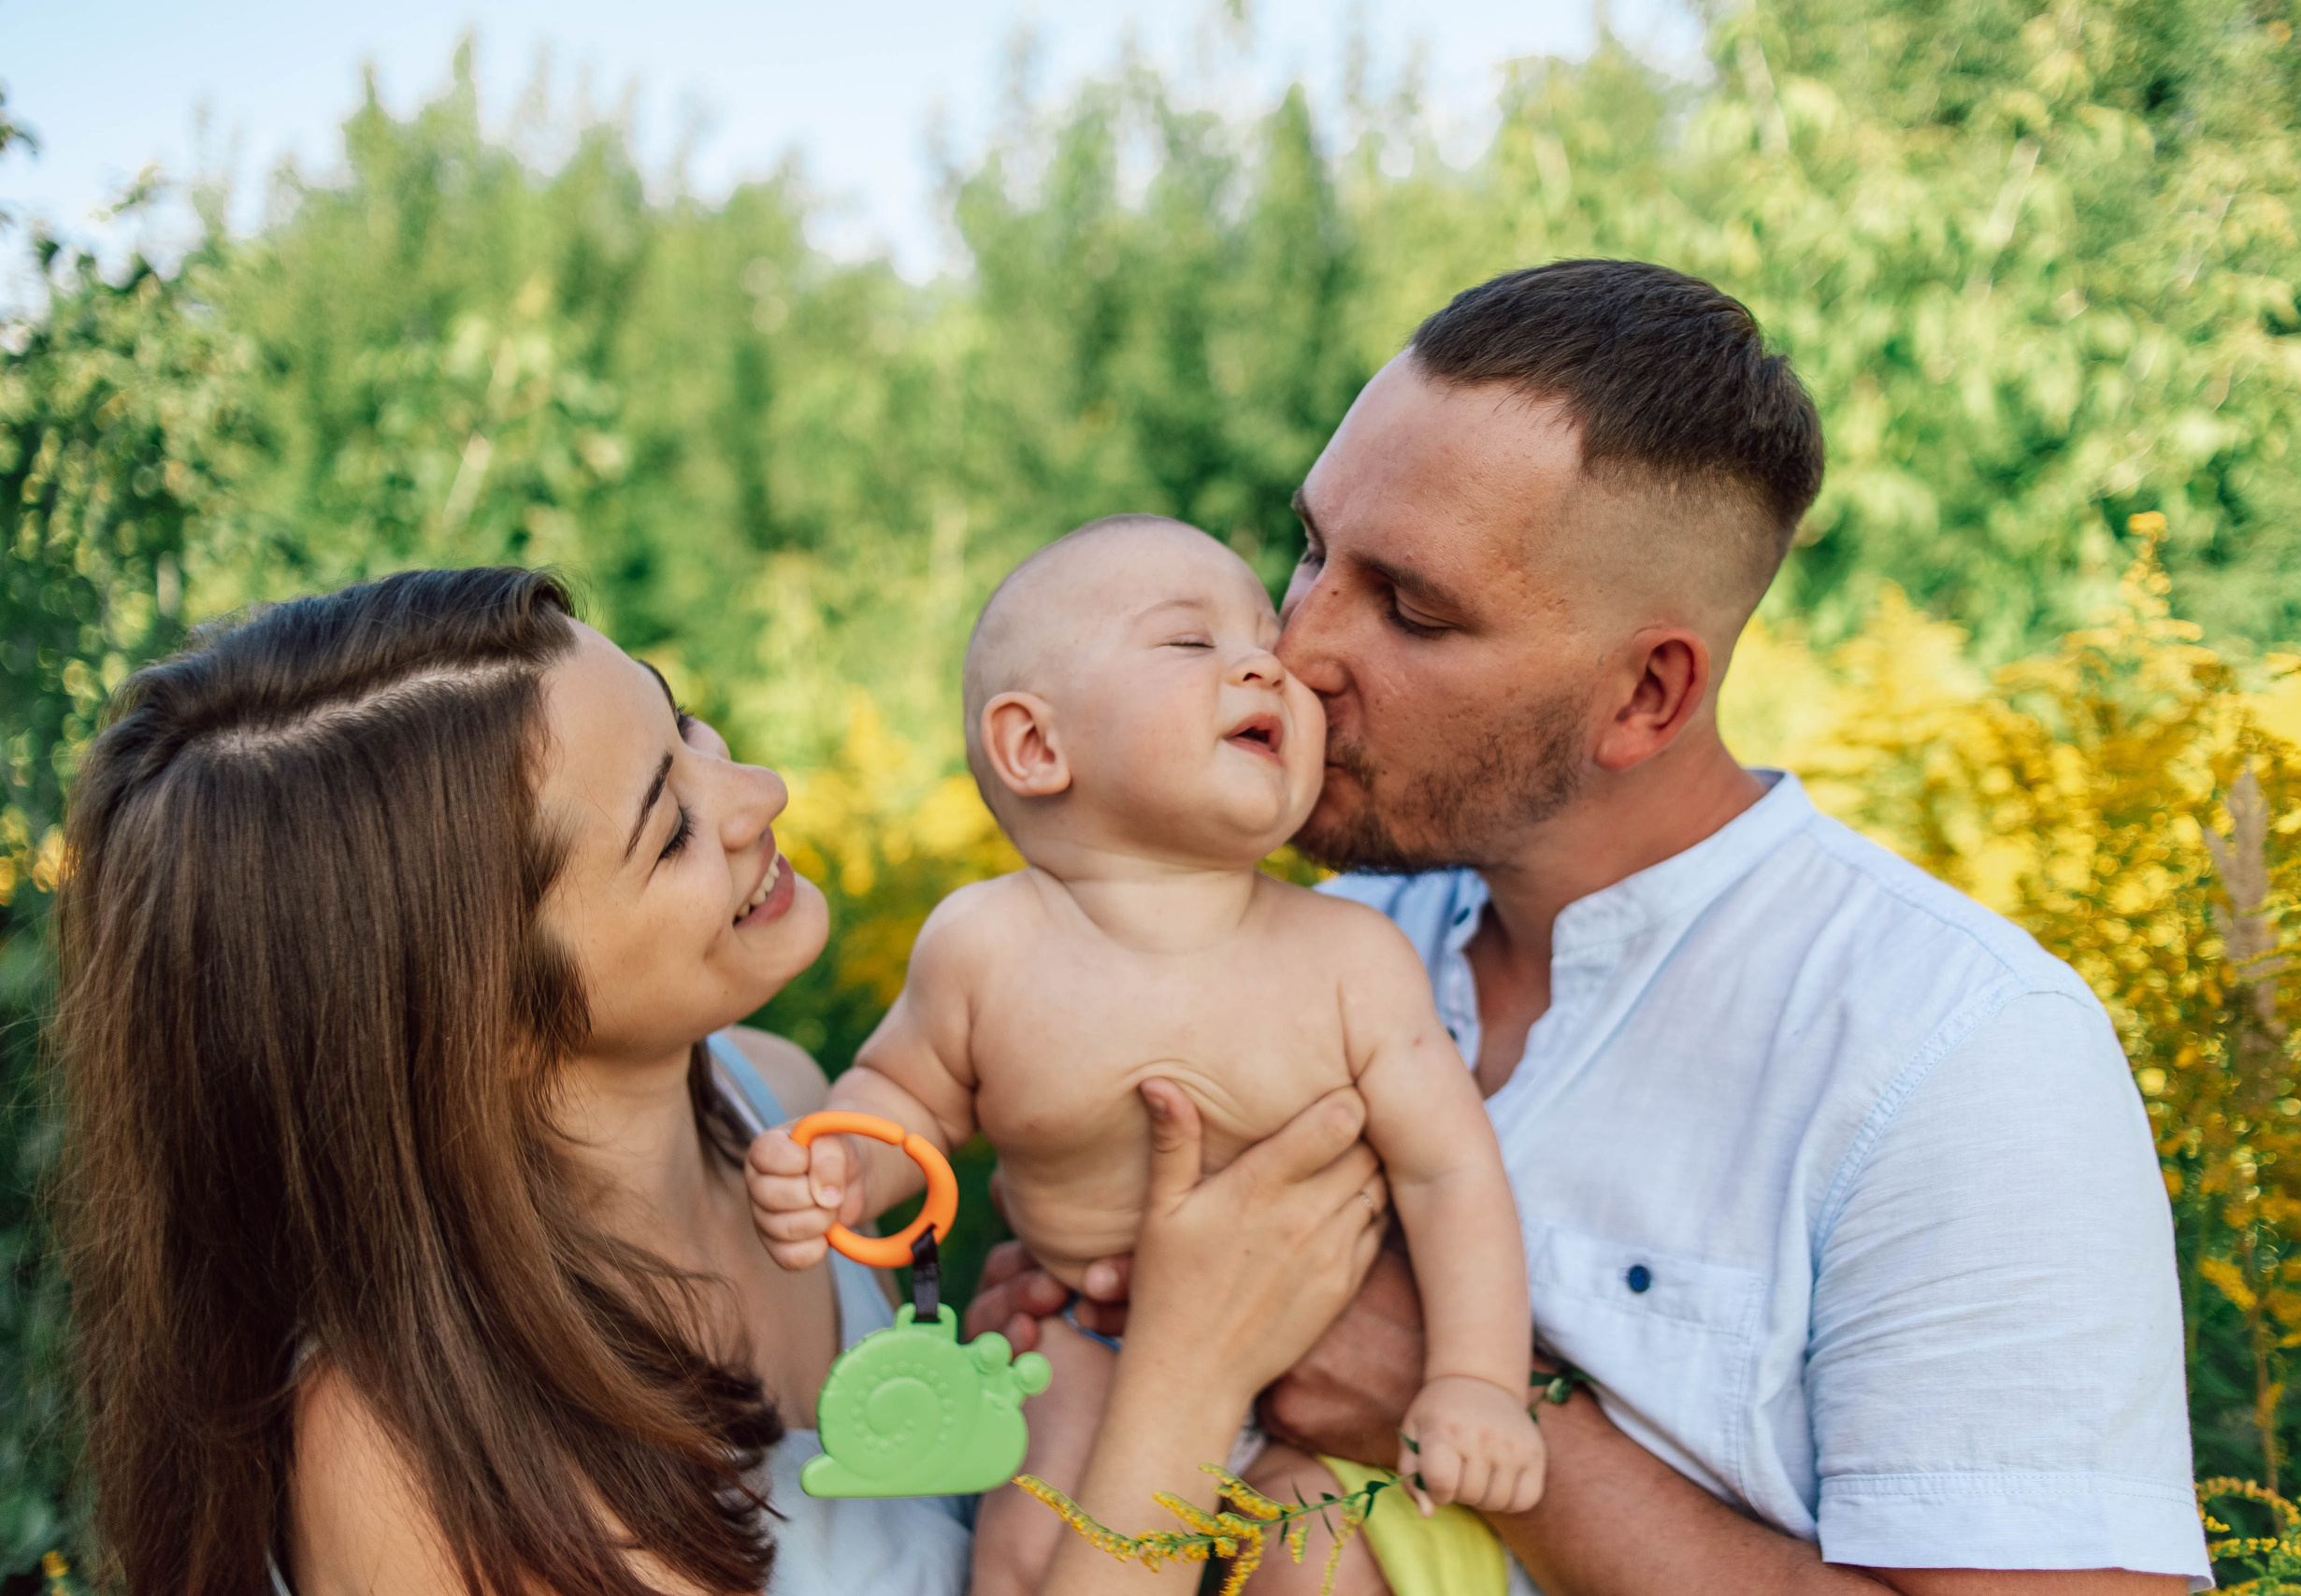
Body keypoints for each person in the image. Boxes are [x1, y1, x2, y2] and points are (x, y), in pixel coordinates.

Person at [971, 259, 2215, 1594]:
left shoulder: (1955, 1053)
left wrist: (1427, 1384)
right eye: (1314, 548)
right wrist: (1088, 1280)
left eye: (1412, 609)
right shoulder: (1315, 927)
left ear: (1646, 694)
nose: (1296, 646)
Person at [55, 566, 1387, 1596]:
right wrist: (1185, 1378)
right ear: (483, 1023)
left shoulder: (784, 1096)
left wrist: (1027, 1359)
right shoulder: (403, 1448)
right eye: (671, 824)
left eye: (681, 718)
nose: (759, 787)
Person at [745, 515, 1541, 1596]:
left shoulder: (1354, 958)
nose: (1267, 663)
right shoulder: (986, 945)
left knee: (1323, 1565)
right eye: (1188, 644)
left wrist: (1475, 1380)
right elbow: (906, 1097)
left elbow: (1449, 1170)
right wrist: (846, 1167)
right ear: (1037, 746)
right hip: (1087, 1348)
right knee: (1025, 1558)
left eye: (1265, 639)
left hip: (1315, 1380)